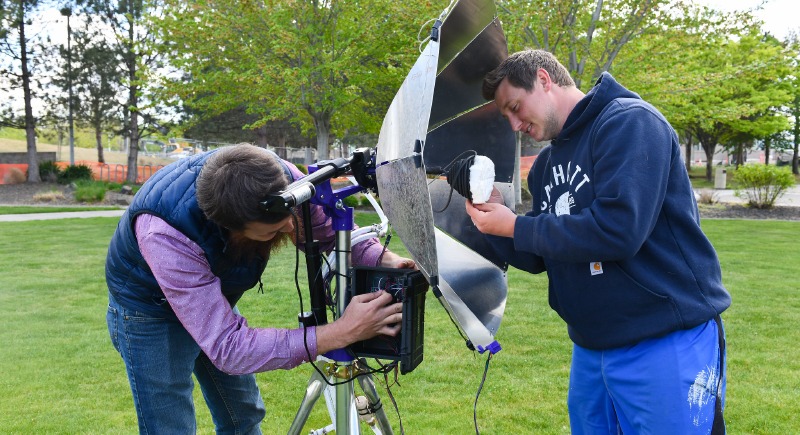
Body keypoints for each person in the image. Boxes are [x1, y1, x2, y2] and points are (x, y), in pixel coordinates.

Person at [465, 50, 731, 434]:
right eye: (507, 115)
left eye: (515, 107)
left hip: (664, 338)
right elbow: (543, 253)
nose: (514, 124)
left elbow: (618, 230)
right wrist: (489, 222)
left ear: (544, 79)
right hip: (591, 348)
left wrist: (516, 227)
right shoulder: (545, 166)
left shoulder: (630, 122)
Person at [105, 143, 414, 433]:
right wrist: (341, 332)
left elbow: (326, 233)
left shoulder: (279, 180)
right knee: (170, 425)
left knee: (243, 413)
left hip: (212, 295)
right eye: (274, 231)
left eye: (287, 219)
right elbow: (229, 348)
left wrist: (385, 258)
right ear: (231, 227)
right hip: (149, 310)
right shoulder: (165, 233)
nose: (291, 229)